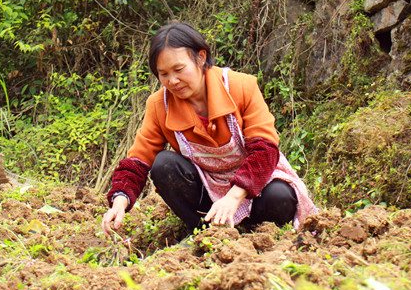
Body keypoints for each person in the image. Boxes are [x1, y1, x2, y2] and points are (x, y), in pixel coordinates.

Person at [101, 22, 317, 237]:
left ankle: (256, 233)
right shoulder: (159, 106)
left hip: (256, 187)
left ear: (201, 58)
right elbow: (138, 161)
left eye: (179, 69)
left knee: (281, 197)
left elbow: (265, 149)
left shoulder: (241, 87)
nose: (173, 81)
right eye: (163, 74)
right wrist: (120, 202)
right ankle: (202, 232)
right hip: (207, 192)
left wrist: (233, 197)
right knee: (163, 165)